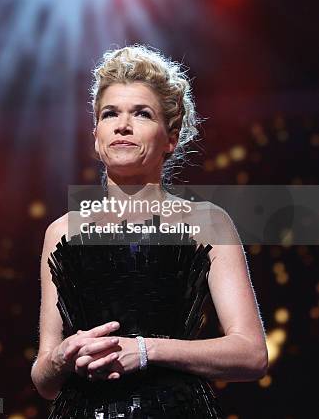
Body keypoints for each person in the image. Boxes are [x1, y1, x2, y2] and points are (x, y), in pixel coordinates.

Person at [31, 45, 268, 418]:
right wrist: (61, 357)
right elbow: (44, 382)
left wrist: (144, 350)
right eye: (110, 114)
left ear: (170, 138)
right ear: (97, 136)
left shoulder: (207, 222)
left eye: (141, 113)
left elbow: (251, 354)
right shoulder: (61, 232)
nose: (122, 125)